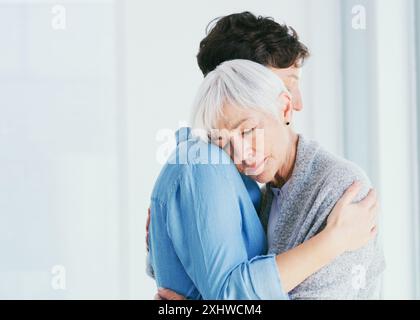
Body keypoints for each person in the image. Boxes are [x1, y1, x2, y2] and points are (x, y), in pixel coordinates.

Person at [147, 59, 381, 300]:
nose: (241, 154)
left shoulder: (342, 190)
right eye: (224, 143)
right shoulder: (259, 193)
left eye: (247, 131)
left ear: (284, 108)